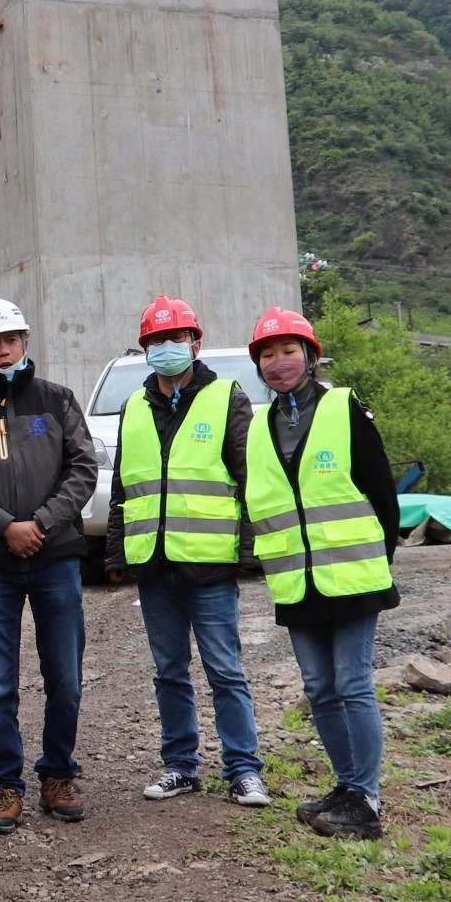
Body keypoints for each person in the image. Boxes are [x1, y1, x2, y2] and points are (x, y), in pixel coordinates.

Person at [0, 295, 98, 835]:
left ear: (25, 342)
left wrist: (42, 523)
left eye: (10, 340)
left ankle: (59, 774)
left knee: (65, 677)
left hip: (56, 558)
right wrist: (5, 525)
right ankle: (4, 784)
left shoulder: (57, 399)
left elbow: (82, 468)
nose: (3, 351)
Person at [105, 297, 271, 809]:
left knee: (225, 670)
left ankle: (244, 770)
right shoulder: (134, 407)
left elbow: (249, 479)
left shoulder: (226, 398)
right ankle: (181, 765)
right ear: (145, 348)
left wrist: (249, 550)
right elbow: (122, 488)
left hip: (210, 564)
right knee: (169, 672)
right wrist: (115, 555)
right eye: (156, 340)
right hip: (155, 564)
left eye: (175, 338)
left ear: (195, 344)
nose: (166, 348)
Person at [245, 307, 398, 841]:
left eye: (289, 351)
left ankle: (367, 801)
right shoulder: (259, 427)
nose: (278, 362)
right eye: (268, 354)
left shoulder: (343, 408)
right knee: (318, 687)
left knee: (353, 683)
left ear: (310, 356)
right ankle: (347, 786)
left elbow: (383, 494)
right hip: (296, 578)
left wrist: (379, 562)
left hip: (352, 575)